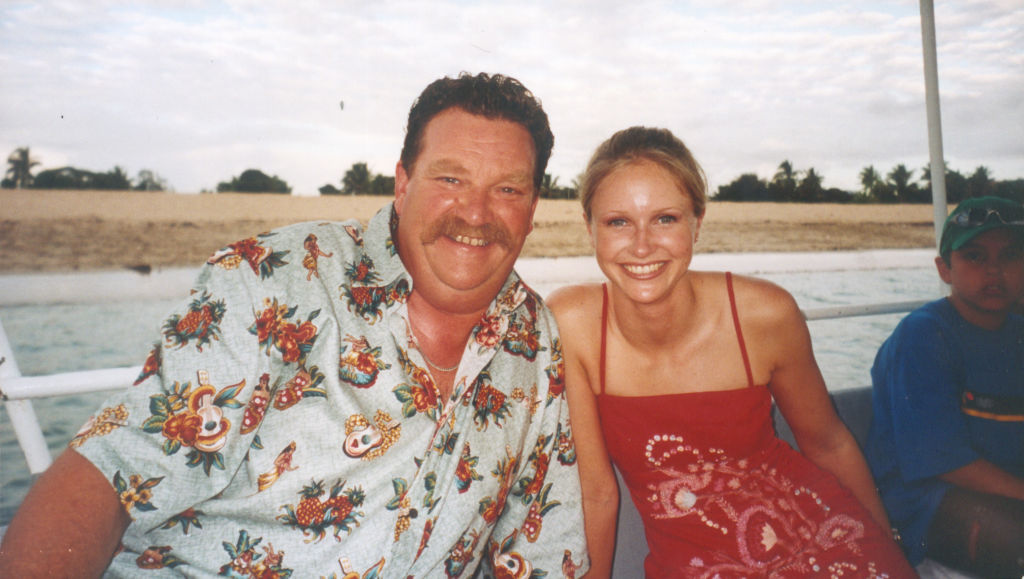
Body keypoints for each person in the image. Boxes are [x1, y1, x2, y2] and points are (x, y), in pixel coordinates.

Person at [0, 72, 589, 578]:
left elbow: (538, 547)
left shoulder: (535, 343)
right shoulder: (277, 278)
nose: (476, 214)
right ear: (403, 184)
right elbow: (112, 474)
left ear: (533, 209)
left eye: (507, 189)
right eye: (451, 179)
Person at [547, 126, 915, 578]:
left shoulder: (763, 314)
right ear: (590, 228)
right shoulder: (573, 323)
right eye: (618, 221)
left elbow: (829, 443)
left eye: (666, 218)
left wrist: (889, 547)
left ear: (697, 223)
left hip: (816, 536)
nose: (642, 245)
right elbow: (597, 491)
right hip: (694, 563)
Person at [866, 196, 1024, 577]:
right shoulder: (923, 336)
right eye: (974, 256)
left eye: (1009, 256)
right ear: (945, 269)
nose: (994, 271)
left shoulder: (1017, 331)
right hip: (924, 504)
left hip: (1003, 486)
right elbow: (946, 463)